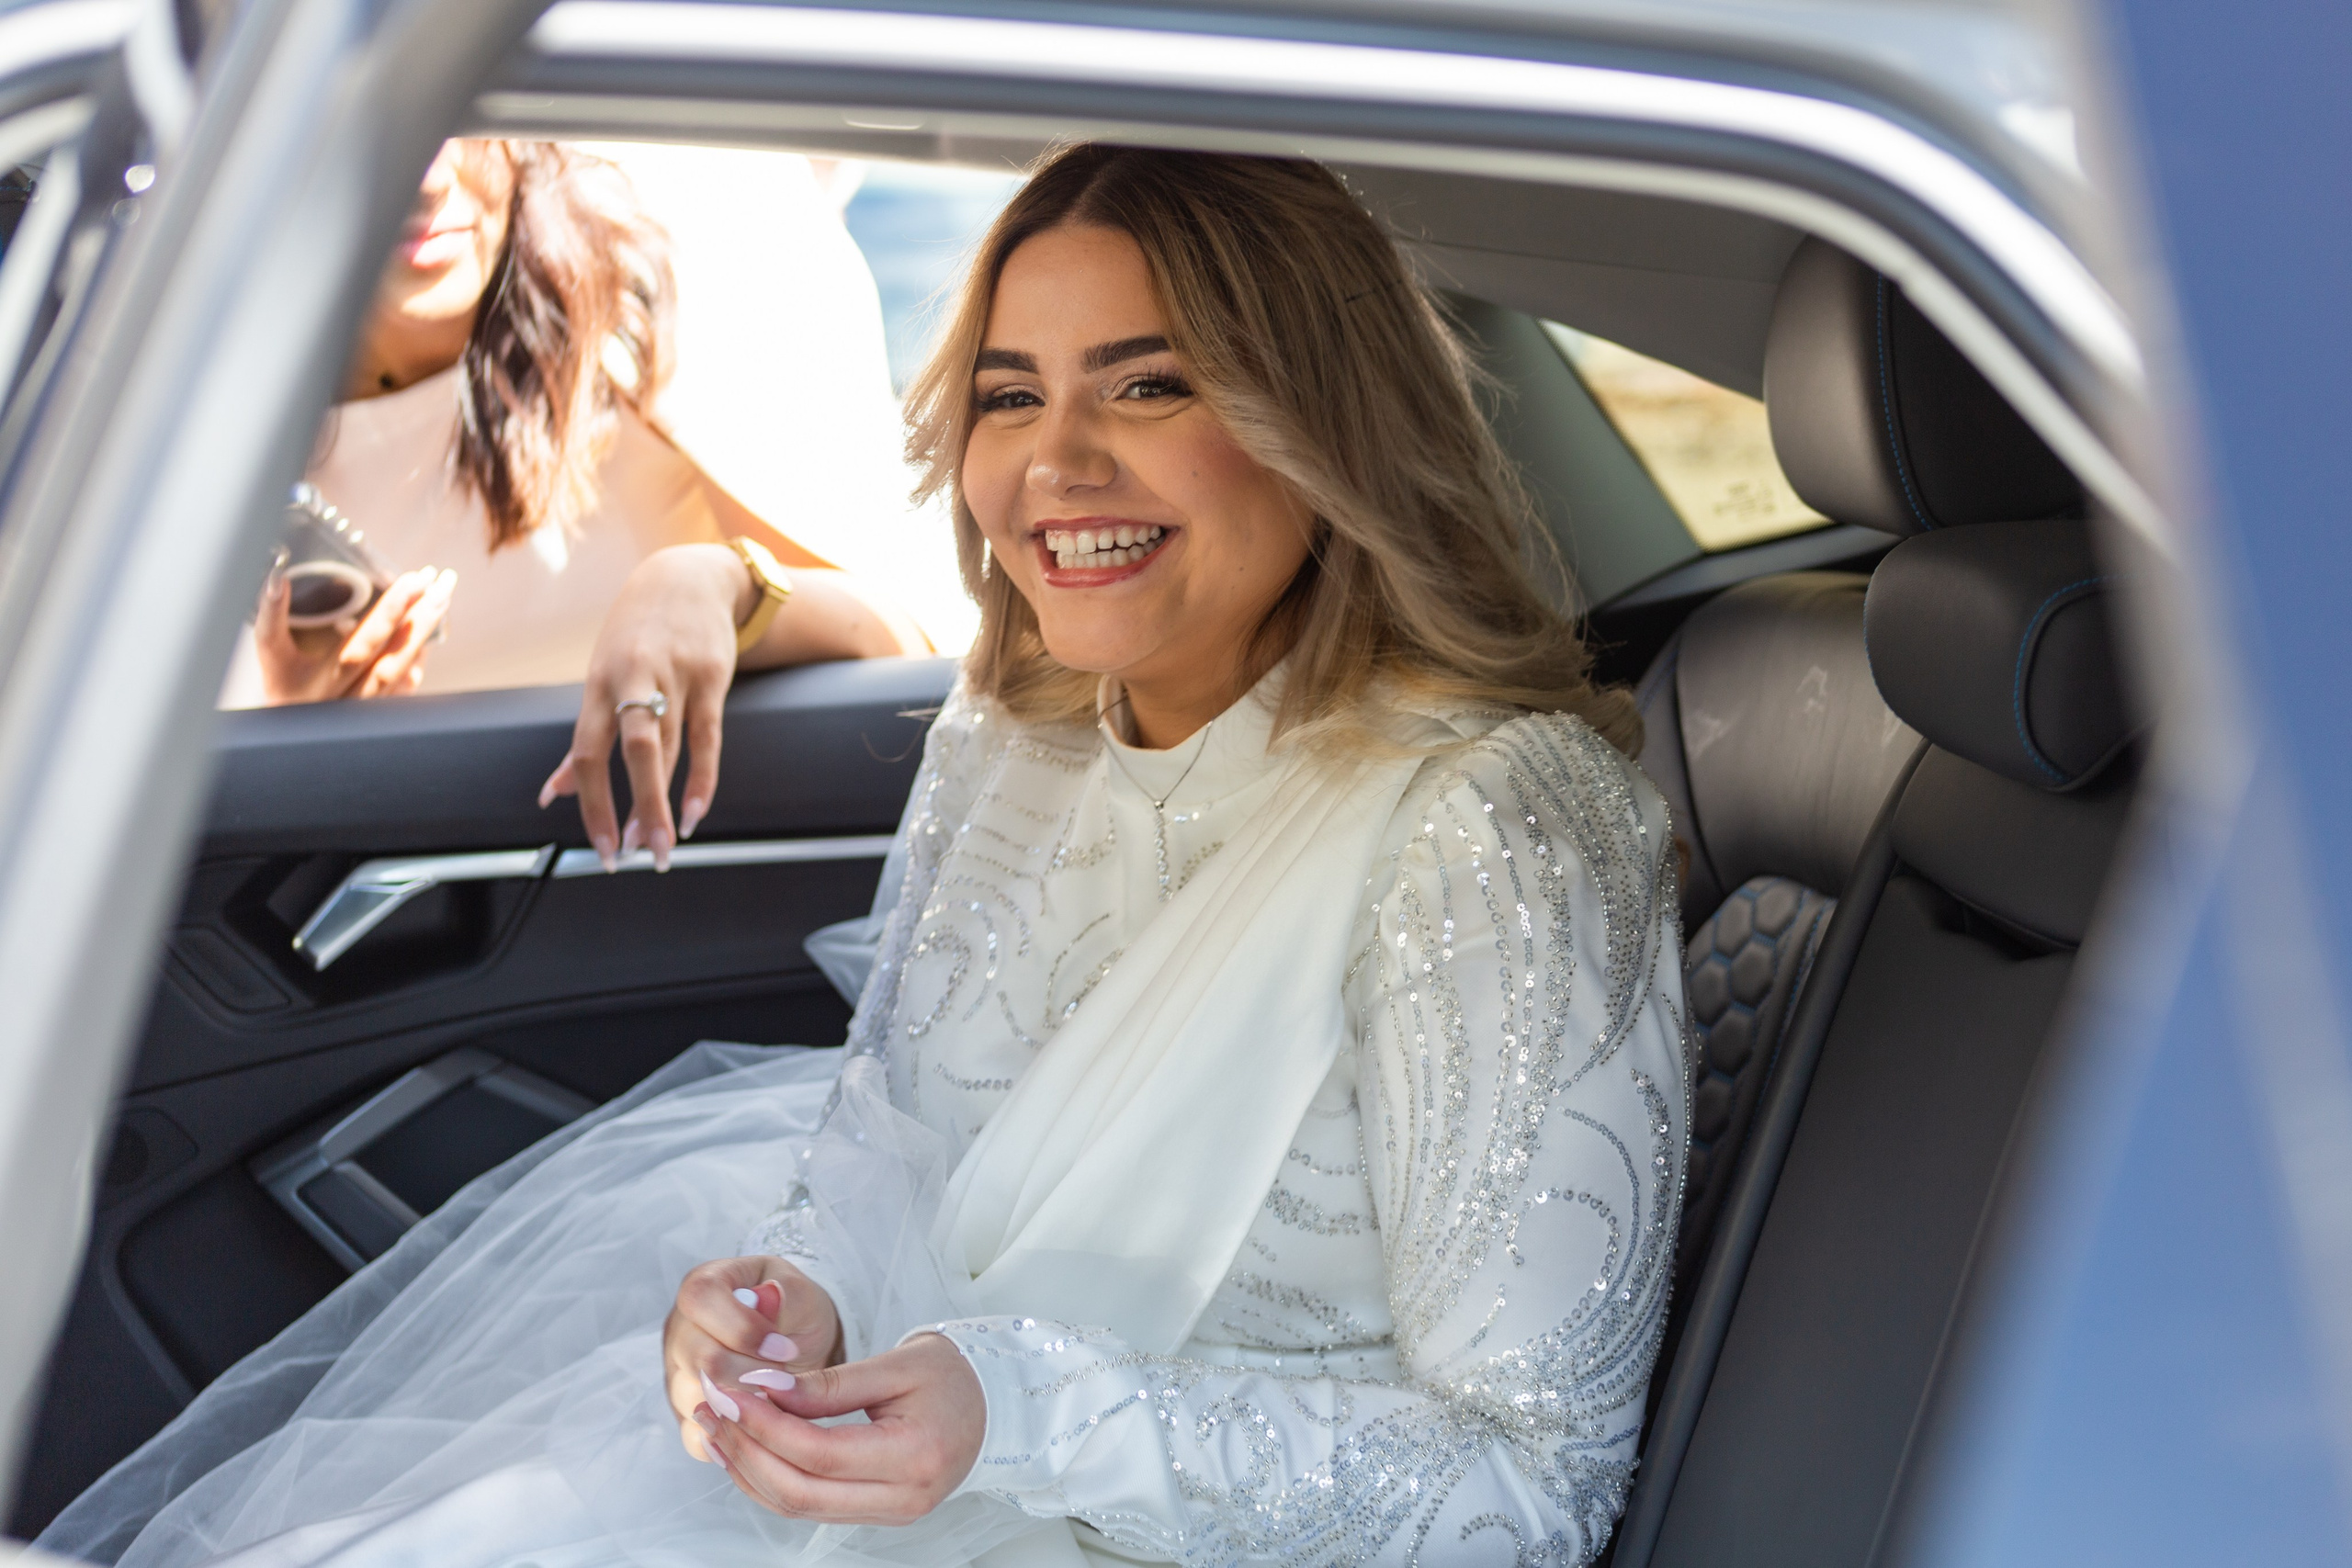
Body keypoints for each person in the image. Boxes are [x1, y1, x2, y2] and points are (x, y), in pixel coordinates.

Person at [45, 145, 1690, 1568]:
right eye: (1008, 392)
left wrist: (1032, 1413)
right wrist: (796, 1300)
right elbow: (892, 1132)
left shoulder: (1500, 824)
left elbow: (1529, 1490)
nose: (1058, 461)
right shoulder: (1022, 727)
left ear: (1317, 424)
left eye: (1149, 382)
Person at [222, 140, 926, 707]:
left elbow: (908, 648)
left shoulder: (653, 269)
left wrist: (720, 588)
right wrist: (298, 725)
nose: (431, 177)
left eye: (465, 106)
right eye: (381, 123)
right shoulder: (200, 394)